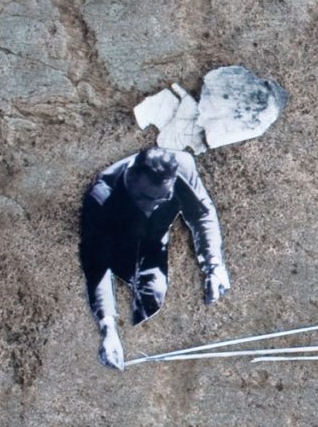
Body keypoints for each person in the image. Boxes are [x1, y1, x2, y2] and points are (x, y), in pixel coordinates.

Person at [79, 145, 230, 369]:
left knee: (154, 295)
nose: (149, 208)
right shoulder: (101, 197)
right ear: (129, 176)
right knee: (128, 272)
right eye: (142, 197)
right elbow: (97, 265)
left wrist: (214, 267)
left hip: (154, 245)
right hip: (122, 244)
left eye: (160, 198)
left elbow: (202, 214)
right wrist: (108, 329)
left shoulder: (184, 166)